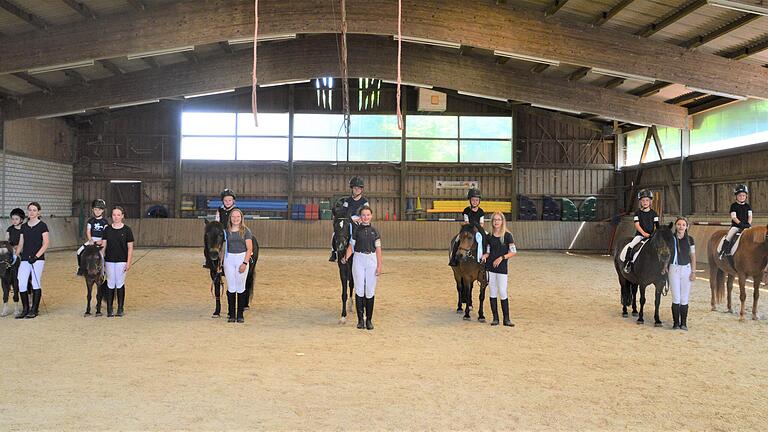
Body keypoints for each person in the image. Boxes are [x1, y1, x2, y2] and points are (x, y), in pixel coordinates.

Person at [343, 206, 382, 330]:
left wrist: (379, 265)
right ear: (360, 217)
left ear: (371, 216)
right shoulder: (356, 231)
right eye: (363, 215)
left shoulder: (375, 231)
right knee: (359, 289)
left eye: (368, 215)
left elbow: (378, 250)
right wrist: (346, 257)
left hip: (371, 260)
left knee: (370, 290)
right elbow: (351, 247)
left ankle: (369, 319)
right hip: (359, 260)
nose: (365, 217)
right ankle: (360, 320)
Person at [481, 212, 517, 327]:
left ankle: (506, 319)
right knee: (492, 291)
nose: (496, 222)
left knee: (502, 291)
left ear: (502, 221)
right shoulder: (489, 236)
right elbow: (488, 251)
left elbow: (513, 252)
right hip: (490, 268)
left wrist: (502, 258)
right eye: (494, 220)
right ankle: (495, 318)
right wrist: (485, 256)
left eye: (498, 220)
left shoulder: (507, 235)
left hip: (502, 268)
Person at [15, 202, 49, 319]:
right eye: (30, 210)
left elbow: (46, 243)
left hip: (37, 259)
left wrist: (36, 256)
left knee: (35, 282)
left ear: (38, 212)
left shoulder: (42, 226)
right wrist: (16, 255)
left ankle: (34, 309)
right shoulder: (24, 227)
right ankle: (25, 309)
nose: (32, 212)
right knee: (22, 282)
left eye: (34, 210)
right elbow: (21, 243)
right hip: (25, 258)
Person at [222, 208, 254, 323]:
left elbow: (249, 248)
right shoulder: (226, 231)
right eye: (233, 217)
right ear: (230, 218)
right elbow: (223, 249)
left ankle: (240, 314)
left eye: (238, 217)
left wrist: (245, 263)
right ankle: (231, 314)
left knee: (240, 287)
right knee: (231, 287)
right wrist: (221, 263)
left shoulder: (246, 231)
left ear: (241, 218)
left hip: (241, 258)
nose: (235, 219)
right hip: (229, 259)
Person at [101, 206, 134, 317]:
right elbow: (104, 246)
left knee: (119, 283)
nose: (116, 217)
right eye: (114, 215)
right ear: (112, 216)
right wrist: (101, 260)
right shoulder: (107, 229)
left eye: (118, 215)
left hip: (121, 261)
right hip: (109, 260)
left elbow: (130, 247)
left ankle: (120, 308)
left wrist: (128, 262)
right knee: (110, 283)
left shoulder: (127, 230)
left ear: (122, 216)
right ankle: (109, 309)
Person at [329, 177, 369, 262]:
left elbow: (367, 213)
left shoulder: (364, 201)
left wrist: (360, 219)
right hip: (349, 220)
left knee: (366, 234)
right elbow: (343, 212)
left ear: (361, 190)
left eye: (359, 188)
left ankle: (367, 250)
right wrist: (348, 219)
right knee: (335, 233)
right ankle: (333, 252)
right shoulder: (348, 201)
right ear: (352, 189)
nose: (357, 190)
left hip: (360, 220)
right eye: (355, 188)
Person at [668, 217, 695, 331]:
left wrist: (693, 271)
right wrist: (665, 267)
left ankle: (683, 323)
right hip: (674, 268)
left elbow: (693, 256)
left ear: (686, 227)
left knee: (684, 298)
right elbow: (667, 254)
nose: (681, 226)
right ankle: (675, 322)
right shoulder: (671, 238)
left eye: (683, 225)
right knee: (676, 297)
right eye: (679, 224)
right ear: (676, 226)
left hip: (686, 269)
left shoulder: (690, 239)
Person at [623, 189, 659, 273]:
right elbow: (637, 225)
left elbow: (656, 225)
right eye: (643, 200)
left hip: (651, 236)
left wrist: (655, 234)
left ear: (650, 201)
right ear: (640, 202)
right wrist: (644, 233)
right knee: (631, 246)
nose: (645, 202)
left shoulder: (654, 213)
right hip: (640, 235)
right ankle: (627, 263)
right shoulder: (637, 213)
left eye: (647, 200)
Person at [449, 188, 485, 266]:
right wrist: (472, 228)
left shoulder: (481, 211)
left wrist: (477, 229)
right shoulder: (466, 211)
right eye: (473, 200)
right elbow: (466, 222)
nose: (475, 202)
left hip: (478, 230)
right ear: (470, 201)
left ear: (479, 201)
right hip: (468, 229)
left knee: (487, 238)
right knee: (457, 239)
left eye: (476, 200)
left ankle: (486, 259)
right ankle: (453, 259)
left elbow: (482, 223)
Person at [1, 208, 25, 317]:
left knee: (17, 281)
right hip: (11, 251)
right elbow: (6, 241)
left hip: (21, 252)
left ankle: (16, 306)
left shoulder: (24, 229)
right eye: (13, 219)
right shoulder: (10, 229)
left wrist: (17, 250)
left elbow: (23, 243)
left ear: (21, 220)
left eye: (16, 219)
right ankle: (5, 306)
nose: (14, 221)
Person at [76, 199, 109, 276]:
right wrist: (90, 240)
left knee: (102, 255)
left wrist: (101, 241)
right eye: (95, 209)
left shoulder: (105, 222)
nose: (97, 211)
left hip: (101, 240)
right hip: (92, 239)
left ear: (103, 210)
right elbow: (88, 231)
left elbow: (105, 233)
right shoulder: (90, 221)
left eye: (99, 210)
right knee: (79, 251)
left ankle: (104, 270)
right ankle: (81, 268)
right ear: (92, 210)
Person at [719, 184, 752, 260]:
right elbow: (734, 217)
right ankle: (723, 251)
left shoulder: (748, 206)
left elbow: (750, 216)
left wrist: (748, 224)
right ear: (736, 196)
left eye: (743, 195)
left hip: (746, 226)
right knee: (729, 236)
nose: (742, 197)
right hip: (736, 226)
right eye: (740, 195)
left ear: (746, 196)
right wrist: (740, 224)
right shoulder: (733, 206)